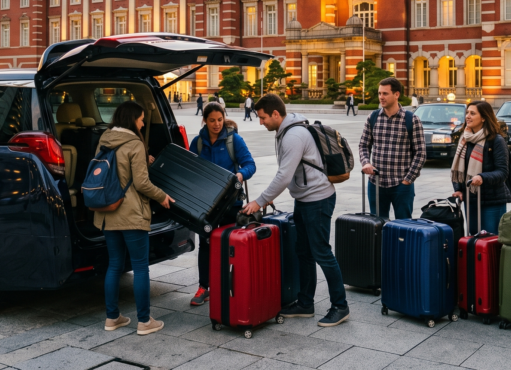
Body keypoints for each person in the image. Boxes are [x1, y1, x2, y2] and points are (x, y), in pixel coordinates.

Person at [243, 93, 350, 327]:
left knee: (322, 253)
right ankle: (305, 303)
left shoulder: (293, 135)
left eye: (263, 118)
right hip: (304, 199)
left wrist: (259, 201)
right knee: (304, 252)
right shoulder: (284, 131)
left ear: (275, 114)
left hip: (318, 199)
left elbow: (284, 175)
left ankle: (340, 307)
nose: (260, 122)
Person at [96, 101, 175, 336]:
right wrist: (162, 197)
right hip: (130, 213)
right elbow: (141, 183)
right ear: (132, 120)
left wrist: (144, 160)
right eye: (141, 119)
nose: (142, 123)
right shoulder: (135, 143)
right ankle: (144, 321)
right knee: (140, 267)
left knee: (114, 265)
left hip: (108, 212)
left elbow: (116, 169)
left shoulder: (105, 139)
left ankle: (112, 318)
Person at [188, 103, 256, 307]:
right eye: (212, 120)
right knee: (206, 244)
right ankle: (204, 287)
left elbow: (250, 164)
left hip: (231, 203)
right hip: (206, 204)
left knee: (230, 245)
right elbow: (190, 169)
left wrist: (241, 174)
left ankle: (231, 285)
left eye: (220, 119)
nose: (216, 124)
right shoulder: (198, 142)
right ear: (205, 120)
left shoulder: (234, 140)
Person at [358, 78, 425, 219]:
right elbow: (364, 144)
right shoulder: (373, 117)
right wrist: (366, 162)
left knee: (403, 227)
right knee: (376, 228)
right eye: (379, 93)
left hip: (401, 185)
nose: (381, 97)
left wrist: (408, 180)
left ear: (396, 94)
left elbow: (420, 153)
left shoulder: (412, 120)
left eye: (385, 93)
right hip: (376, 183)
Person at [449, 101, 510, 235]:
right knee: (473, 238)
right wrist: (458, 189)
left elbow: (502, 172)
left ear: (483, 117)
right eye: (467, 113)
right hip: (471, 199)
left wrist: (482, 177)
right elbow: (459, 170)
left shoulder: (496, 140)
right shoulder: (465, 139)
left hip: (492, 200)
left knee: (490, 240)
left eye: (472, 113)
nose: (468, 116)